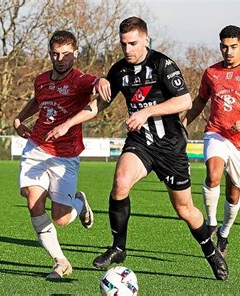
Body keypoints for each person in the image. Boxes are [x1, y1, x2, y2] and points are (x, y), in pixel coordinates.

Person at [45, 17, 228, 281]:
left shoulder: (162, 64)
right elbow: (100, 105)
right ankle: (118, 247)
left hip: (170, 147)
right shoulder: (119, 70)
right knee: (120, 182)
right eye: (123, 44)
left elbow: (185, 100)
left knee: (185, 210)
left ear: (146, 39)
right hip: (140, 142)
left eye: (133, 43)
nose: (128, 49)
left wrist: (147, 112)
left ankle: (211, 252)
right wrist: (68, 123)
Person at [13, 30, 111, 280]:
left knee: (62, 218)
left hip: (65, 155)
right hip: (36, 146)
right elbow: (38, 100)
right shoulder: (41, 80)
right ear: (50, 54)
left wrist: (101, 80)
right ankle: (61, 261)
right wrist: (19, 119)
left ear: (75, 54)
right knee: (33, 200)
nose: (60, 59)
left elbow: (95, 84)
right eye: (56, 54)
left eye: (66, 54)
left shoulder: (79, 80)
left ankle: (79, 202)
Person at [182, 25, 240, 257]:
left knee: (234, 194)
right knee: (213, 174)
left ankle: (224, 233)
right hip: (217, 132)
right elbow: (200, 100)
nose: (228, 51)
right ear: (220, 46)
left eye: (233, 47)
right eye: (224, 47)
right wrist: (183, 122)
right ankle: (211, 222)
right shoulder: (211, 73)